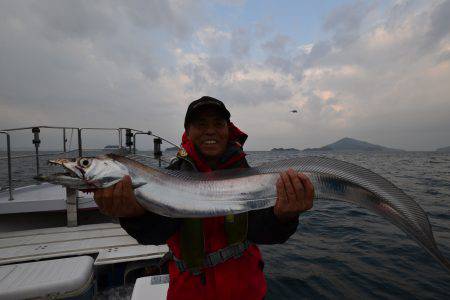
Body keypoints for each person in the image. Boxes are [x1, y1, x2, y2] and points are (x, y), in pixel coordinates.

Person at [94, 96, 314, 300]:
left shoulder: (248, 174)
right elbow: (156, 233)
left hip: (246, 289)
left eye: (218, 124)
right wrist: (133, 215)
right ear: (187, 132)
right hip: (189, 291)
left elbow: (263, 233)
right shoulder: (168, 178)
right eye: (201, 124)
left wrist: (284, 216)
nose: (210, 131)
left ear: (228, 130)